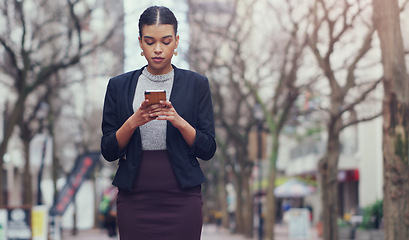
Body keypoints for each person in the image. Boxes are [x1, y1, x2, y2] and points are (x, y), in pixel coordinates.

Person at [100, 5, 216, 240]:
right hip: (134, 196)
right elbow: (108, 150)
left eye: (166, 41)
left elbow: (208, 148)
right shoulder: (118, 86)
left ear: (176, 41)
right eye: (150, 41)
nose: (158, 49)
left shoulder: (197, 85)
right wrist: (133, 121)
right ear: (140, 43)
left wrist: (179, 122)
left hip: (183, 195)